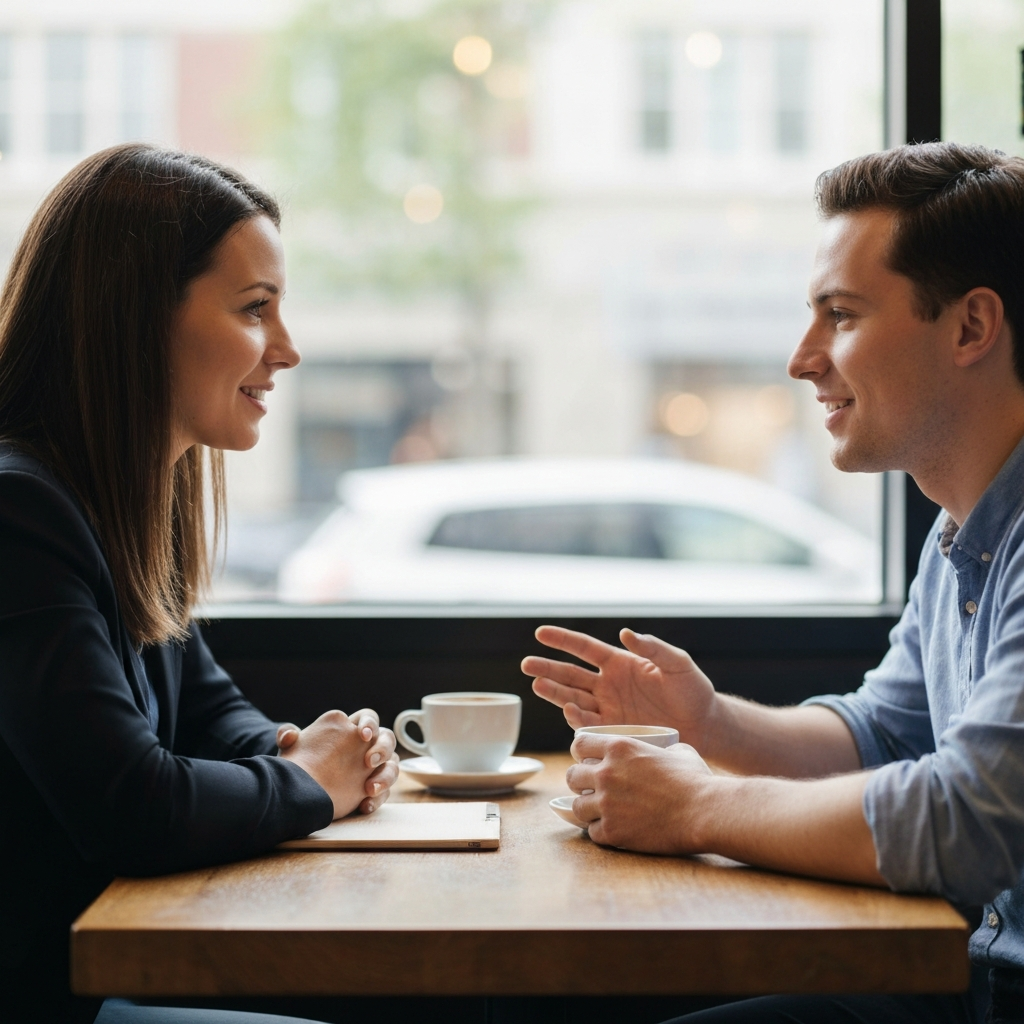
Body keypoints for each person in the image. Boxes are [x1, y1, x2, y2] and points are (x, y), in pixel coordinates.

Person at [522, 141, 1024, 1024]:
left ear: (971, 329)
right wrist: (708, 724)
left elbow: (971, 821)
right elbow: (882, 733)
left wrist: (699, 805)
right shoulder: (961, 530)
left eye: (841, 315)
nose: (801, 359)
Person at [0, 144, 399, 1024]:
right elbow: (130, 808)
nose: (287, 351)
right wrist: (311, 785)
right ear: (134, 319)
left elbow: (208, 712)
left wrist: (306, 750)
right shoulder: (17, 513)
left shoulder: (125, 498)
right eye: (257, 310)